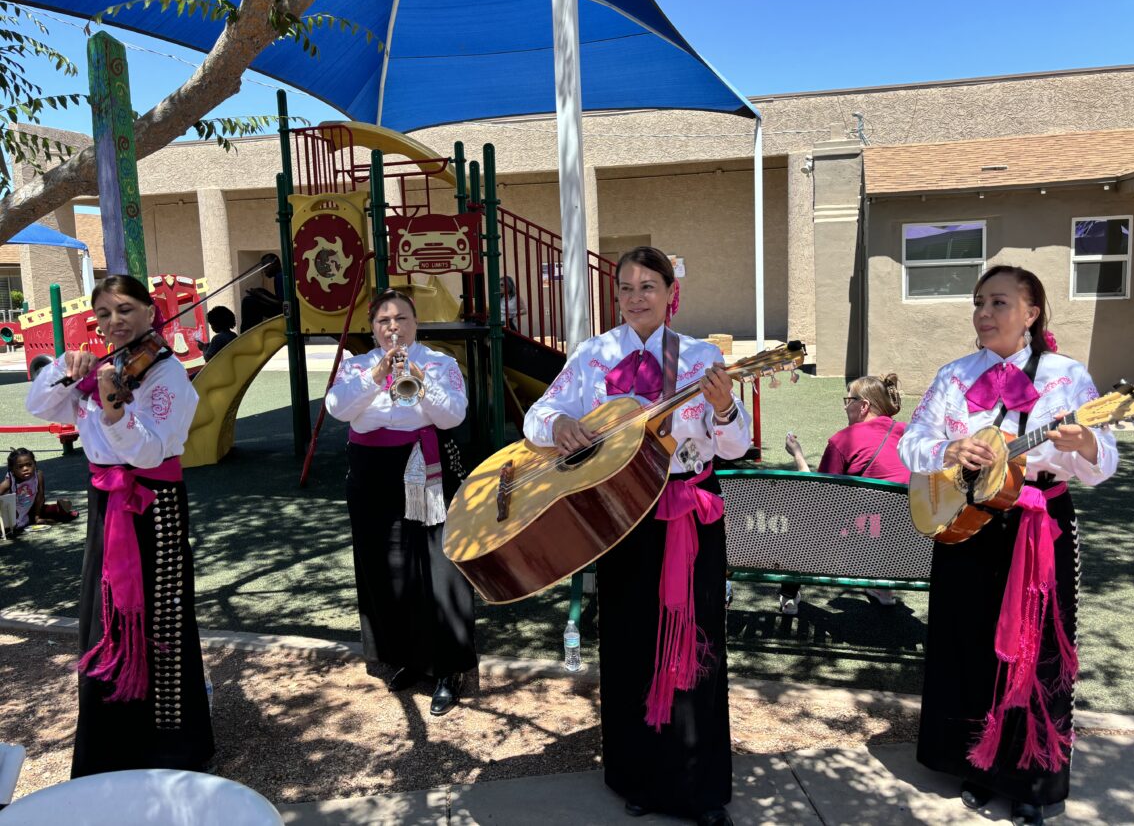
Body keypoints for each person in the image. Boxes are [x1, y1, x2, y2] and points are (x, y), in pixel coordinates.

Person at [524, 246, 749, 826]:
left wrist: (724, 411)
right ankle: (637, 775)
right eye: (625, 287)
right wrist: (563, 424)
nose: (636, 296)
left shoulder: (701, 358)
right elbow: (536, 416)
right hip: (619, 520)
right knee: (628, 644)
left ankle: (699, 788)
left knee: (696, 645)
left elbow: (735, 446)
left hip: (689, 517)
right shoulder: (593, 355)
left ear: (671, 293)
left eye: (648, 286)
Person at [898, 265, 1118, 826]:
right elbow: (910, 444)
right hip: (964, 524)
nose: (985, 313)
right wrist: (949, 450)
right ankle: (976, 764)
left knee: (1034, 650)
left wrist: (1085, 441)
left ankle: (1031, 779)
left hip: (1036, 528)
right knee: (967, 643)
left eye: (999, 302)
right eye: (979, 303)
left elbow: (1104, 465)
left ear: (1031, 312)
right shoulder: (955, 374)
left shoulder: (1067, 378)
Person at [25, 274, 214, 778]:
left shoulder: (169, 376)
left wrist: (112, 407)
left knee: (161, 619)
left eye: (126, 309)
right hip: (108, 502)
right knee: (104, 614)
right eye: (105, 314)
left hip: (155, 503)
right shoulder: (104, 368)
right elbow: (38, 405)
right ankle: (111, 742)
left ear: (151, 313)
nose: (116, 323)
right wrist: (68, 371)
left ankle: (170, 747)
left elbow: (149, 449)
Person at [324, 289, 475, 716]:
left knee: (437, 565)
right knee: (387, 566)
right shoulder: (355, 367)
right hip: (372, 474)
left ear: (415, 322)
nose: (393, 328)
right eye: (383, 321)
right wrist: (375, 377)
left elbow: (454, 416)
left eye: (401, 319)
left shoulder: (440, 363)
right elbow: (337, 409)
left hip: (423, 466)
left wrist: (420, 383)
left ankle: (448, 667)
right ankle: (408, 656)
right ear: (372, 328)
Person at [782, 374, 909, 610]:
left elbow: (819, 497)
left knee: (800, 516)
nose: (844, 406)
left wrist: (798, 454)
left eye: (848, 399)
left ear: (864, 406)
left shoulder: (843, 440)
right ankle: (882, 586)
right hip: (907, 545)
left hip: (851, 547)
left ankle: (789, 595)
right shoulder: (910, 434)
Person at [0, 447, 78, 533]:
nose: (25, 469)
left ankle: (58, 510)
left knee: (56, 507)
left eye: (29, 465)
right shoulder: (9, 482)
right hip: (13, 514)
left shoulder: (38, 475)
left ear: (35, 464)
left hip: (31, 509)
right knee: (7, 527)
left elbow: (40, 497)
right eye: (20, 467)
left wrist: (37, 517)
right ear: (12, 470)